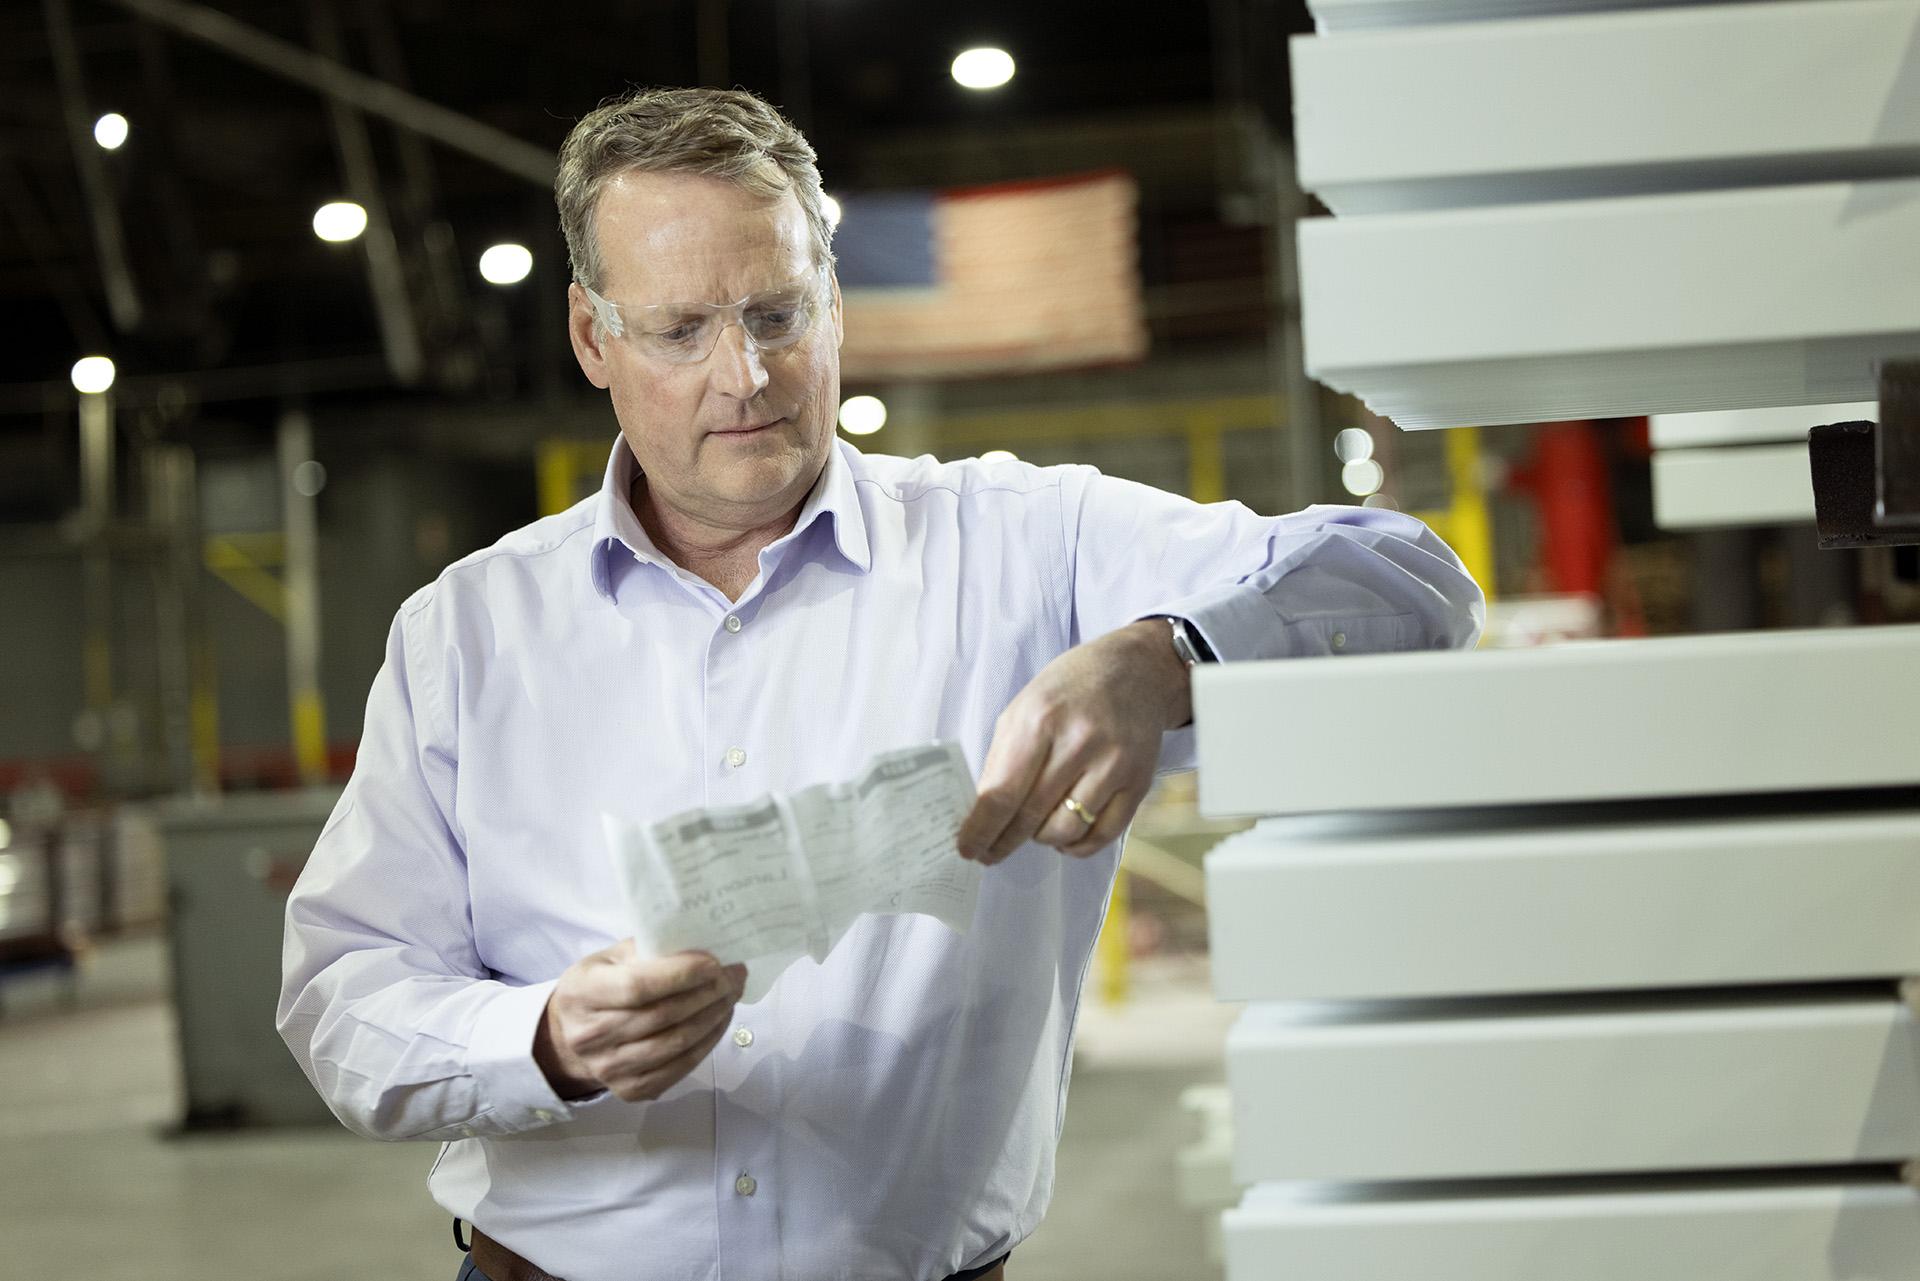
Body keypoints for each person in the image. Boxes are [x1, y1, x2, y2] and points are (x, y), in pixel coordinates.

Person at [278, 86, 1483, 1281]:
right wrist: (538, 1039)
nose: (744, 375)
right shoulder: (470, 633)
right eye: (680, 330)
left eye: (777, 313)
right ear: (593, 339)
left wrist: (1169, 656)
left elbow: (1413, 584)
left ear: (836, 305)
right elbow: (344, 995)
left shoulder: (1026, 546)